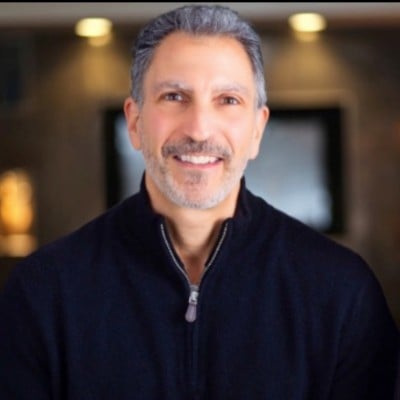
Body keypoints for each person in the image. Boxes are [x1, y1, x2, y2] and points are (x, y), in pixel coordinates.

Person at [0, 4, 399, 399]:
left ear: (257, 130)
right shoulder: (43, 293)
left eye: (228, 100)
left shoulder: (341, 291)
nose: (199, 129)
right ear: (135, 122)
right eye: (174, 96)